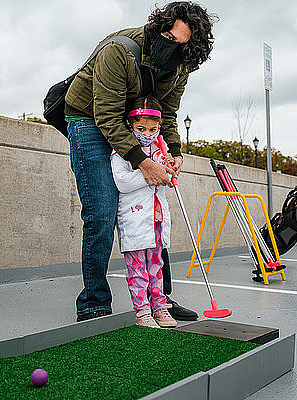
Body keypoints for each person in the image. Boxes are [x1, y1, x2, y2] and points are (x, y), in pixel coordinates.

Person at [65, 2, 216, 321]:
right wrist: (144, 164)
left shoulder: (181, 66)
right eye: (169, 39)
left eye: (182, 47)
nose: (173, 49)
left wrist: (174, 152)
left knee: (154, 211)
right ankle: (94, 302)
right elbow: (106, 116)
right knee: (102, 211)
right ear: (160, 28)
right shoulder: (118, 50)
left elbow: (168, 114)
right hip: (89, 121)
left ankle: (159, 298)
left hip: (140, 121)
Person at [111, 97, 177, 328]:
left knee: (156, 267)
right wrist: (151, 172)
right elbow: (122, 182)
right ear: (130, 125)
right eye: (141, 128)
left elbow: (167, 175)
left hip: (157, 219)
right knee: (138, 269)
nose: (147, 133)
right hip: (135, 219)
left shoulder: (159, 150)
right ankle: (142, 312)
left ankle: (159, 306)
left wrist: (167, 166)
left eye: (153, 129)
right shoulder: (123, 152)